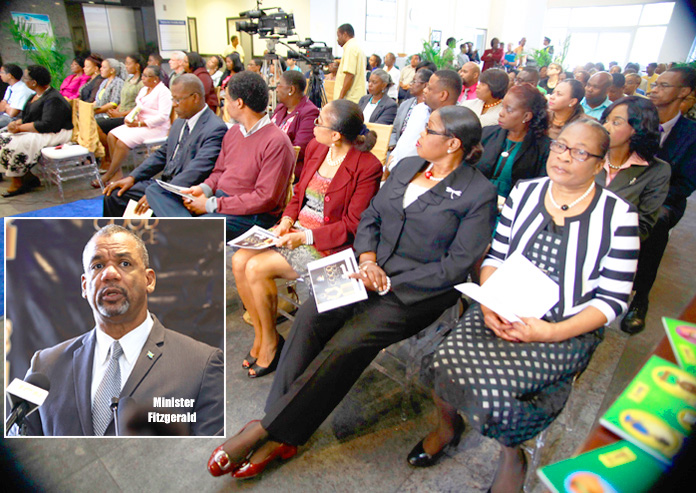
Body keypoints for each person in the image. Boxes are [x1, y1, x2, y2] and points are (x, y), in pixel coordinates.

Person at [206, 105, 497, 480]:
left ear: (453, 143)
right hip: (363, 268)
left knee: (348, 343)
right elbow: (372, 217)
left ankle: (264, 431)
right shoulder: (408, 167)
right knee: (311, 315)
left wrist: (387, 280)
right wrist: (369, 260)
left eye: (429, 129)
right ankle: (280, 433)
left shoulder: (477, 193)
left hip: (414, 292)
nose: (419, 133)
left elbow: (456, 265)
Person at [412, 119, 639, 493]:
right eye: (561, 145)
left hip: (565, 326)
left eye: (580, 152)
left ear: (600, 165)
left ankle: (510, 452)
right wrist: (490, 304)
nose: (564, 157)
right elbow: (495, 257)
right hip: (505, 306)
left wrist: (549, 331)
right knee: (442, 360)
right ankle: (447, 427)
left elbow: (614, 300)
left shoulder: (618, 217)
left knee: (497, 393)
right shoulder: (526, 193)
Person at [18, 225, 224, 436]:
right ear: (84, 286)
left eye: (124, 263)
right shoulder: (42, 366)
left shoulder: (202, 365)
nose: (109, 274)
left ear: (149, 280)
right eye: (97, 266)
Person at [233, 100, 382, 378]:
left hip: (328, 246)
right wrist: (286, 222)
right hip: (296, 232)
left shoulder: (367, 166)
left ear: (336, 134)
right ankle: (265, 337)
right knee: (240, 258)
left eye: (319, 122)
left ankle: (270, 345)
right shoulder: (316, 148)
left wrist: (305, 236)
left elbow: (352, 225)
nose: (313, 125)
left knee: (254, 267)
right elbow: (298, 193)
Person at [146, 72, 295, 239]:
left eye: (226, 99)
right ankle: (187, 227)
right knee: (155, 191)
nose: (224, 105)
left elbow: (265, 199)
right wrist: (203, 189)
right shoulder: (234, 133)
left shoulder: (276, 141)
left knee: (190, 227)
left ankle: (187, 229)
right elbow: (219, 172)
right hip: (221, 202)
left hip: (251, 215)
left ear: (238, 103)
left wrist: (210, 205)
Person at [622, 66, 696, 334]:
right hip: (624, 188)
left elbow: (685, 184)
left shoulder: (691, 134)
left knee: (657, 221)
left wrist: (646, 199)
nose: (654, 88)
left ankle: (640, 298)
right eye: (656, 84)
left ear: (684, 92)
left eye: (664, 85)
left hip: (665, 199)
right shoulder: (638, 120)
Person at [103, 75, 227, 217]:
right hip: (162, 184)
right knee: (114, 195)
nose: (174, 104)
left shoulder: (215, 128)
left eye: (178, 100)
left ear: (195, 98)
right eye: (172, 99)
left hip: (185, 191)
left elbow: (197, 170)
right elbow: (161, 154)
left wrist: (160, 194)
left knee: (151, 206)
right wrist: (133, 177)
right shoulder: (181, 121)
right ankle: (114, 237)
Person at [599, 96, 670, 241]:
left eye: (616, 123)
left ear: (637, 129)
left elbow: (643, 227)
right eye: (606, 120)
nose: (605, 128)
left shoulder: (656, 171)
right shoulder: (590, 157)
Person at [0, 66, 73, 197]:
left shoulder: (53, 98)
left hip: (57, 132)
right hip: (41, 129)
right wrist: (15, 124)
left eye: (26, 78)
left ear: (34, 82)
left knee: (14, 142)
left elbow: (47, 124)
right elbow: (27, 117)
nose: (23, 80)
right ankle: (27, 176)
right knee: (3, 135)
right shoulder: (35, 96)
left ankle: (18, 179)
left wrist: (20, 128)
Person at [97, 66, 172, 187]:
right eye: (143, 75)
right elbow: (138, 107)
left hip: (155, 127)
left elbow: (163, 117)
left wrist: (139, 124)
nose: (143, 78)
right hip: (138, 123)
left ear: (156, 79)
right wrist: (129, 119)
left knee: (122, 142)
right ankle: (117, 173)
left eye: (146, 76)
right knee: (111, 135)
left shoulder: (164, 92)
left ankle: (109, 173)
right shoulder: (144, 90)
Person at [476, 83, 550, 199]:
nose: (501, 113)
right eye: (502, 107)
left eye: (509, 110)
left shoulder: (543, 148)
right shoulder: (487, 133)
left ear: (526, 116)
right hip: (476, 202)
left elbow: (538, 190)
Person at [387, 70, 462, 175]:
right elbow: (404, 143)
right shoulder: (420, 109)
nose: (424, 90)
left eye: (429, 88)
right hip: (396, 169)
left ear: (443, 95)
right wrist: (392, 160)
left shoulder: (457, 124)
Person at [271, 70, 320, 178]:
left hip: (288, 168)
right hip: (270, 161)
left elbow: (298, 150)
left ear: (291, 89)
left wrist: (267, 156)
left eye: (279, 84)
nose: (276, 88)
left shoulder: (309, 112)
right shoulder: (281, 108)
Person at [96, 54, 145, 157]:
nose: (126, 66)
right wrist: (116, 111)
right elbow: (122, 100)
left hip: (130, 116)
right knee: (94, 124)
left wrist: (120, 114)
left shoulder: (142, 83)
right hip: (120, 113)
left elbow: (140, 106)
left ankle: (109, 157)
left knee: (97, 124)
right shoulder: (128, 80)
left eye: (129, 63)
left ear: (137, 66)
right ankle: (109, 157)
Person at [390, 69, 432, 150]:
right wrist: (393, 145)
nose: (410, 84)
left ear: (425, 85)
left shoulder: (430, 108)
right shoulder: (405, 104)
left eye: (414, 81)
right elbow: (394, 130)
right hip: (397, 148)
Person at [334, 24, 366, 104]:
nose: (337, 40)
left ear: (345, 34)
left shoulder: (350, 48)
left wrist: (340, 98)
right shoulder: (357, 47)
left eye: (338, 36)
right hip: (356, 98)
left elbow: (349, 75)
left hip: (350, 99)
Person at [0, 64, 34, 128]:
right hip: (4, 115)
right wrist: (8, 107)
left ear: (9, 75)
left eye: (2, 72)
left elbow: (12, 113)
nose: (0, 75)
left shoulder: (22, 90)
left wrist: (6, 105)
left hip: (14, 120)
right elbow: (1, 108)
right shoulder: (10, 88)